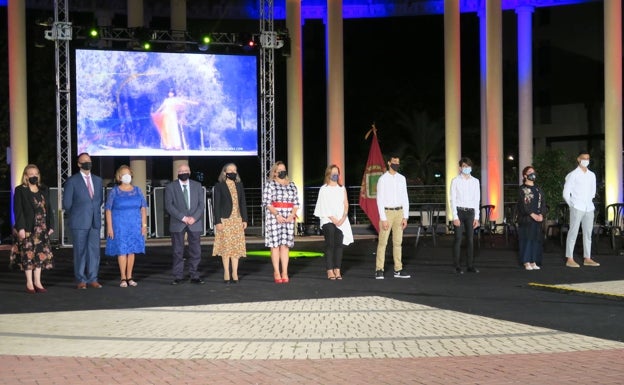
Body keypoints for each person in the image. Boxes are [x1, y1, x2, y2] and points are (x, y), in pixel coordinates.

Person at [10, 164, 54, 294]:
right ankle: (29, 283)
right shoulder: (20, 190)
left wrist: (51, 225)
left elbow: (49, 208)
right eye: (31, 174)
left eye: (36, 174)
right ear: (26, 176)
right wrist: (21, 228)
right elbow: (18, 211)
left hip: (42, 228)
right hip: (28, 228)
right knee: (28, 256)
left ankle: (38, 282)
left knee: (40, 256)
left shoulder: (44, 189)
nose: (34, 176)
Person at [62, 152, 104, 289]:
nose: (87, 163)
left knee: (94, 251)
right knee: (80, 251)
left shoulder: (98, 180)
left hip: (94, 221)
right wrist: (77, 214)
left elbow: (99, 200)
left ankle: (93, 278)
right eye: (84, 161)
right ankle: (81, 279)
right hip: (79, 221)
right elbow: (67, 203)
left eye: (89, 160)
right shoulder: (72, 181)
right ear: (79, 164)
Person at [104, 165, 148, 287]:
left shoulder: (137, 190)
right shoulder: (115, 191)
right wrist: (110, 227)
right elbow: (108, 210)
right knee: (122, 251)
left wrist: (144, 225)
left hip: (134, 225)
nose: (126, 176)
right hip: (120, 225)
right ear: (119, 177)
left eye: (128, 173)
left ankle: (130, 276)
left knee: (132, 251)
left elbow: (143, 208)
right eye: (124, 174)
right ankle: (123, 277)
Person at [165, 163, 206, 284]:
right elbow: (169, 206)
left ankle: (195, 275)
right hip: (178, 223)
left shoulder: (197, 185)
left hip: (195, 222)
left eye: (186, 170)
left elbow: (201, 204)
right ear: (178, 173)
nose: (184, 172)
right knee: (178, 251)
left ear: (190, 172)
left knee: (196, 250)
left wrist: (194, 217)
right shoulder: (171, 187)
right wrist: (183, 217)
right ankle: (178, 276)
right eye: (181, 171)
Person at [314, 164, 354, 280]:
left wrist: (343, 217)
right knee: (330, 243)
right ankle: (329, 270)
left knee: (339, 244)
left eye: (337, 173)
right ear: (328, 174)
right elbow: (324, 206)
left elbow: (346, 204)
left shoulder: (342, 188)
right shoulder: (324, 189)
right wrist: (334, 219)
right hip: (327, 219)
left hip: (341, 220)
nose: (335, 175)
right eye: (333, 173)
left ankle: (337, 269)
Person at [374, 155, 411, 279]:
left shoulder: (402, 179)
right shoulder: (382, 179)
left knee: (398, 242)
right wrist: (383, 218)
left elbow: (405, 197)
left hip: (399, 212)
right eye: (394, 162)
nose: (396, 164)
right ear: (389, 163)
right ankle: (379, 269)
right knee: (383, 242)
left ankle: (398, 269)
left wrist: (405, 217)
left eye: (398, 162)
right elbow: (379, 199)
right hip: (387, 213)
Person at [263, 161, 300, 283]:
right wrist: (277, 215)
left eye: (284, 169)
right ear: (274, 172)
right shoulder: (270, 185)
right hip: (274, 217)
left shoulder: (292, 185)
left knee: (285, 245)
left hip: (288, 218)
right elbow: (267, 203)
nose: (282, 172)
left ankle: (285, 271)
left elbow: (296, 203)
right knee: (275, 245)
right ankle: (277, 272)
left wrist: (292, 215)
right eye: (280, 170)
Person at [212, 163, 248, 284]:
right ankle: (227, 272)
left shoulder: (239, 185)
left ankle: (235, 272)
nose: (233, 172)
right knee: (226, 248)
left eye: (235, 170)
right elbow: (216, 206)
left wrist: (245, 219)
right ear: (224, 172)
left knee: (236, 248)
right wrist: (217, 221)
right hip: (225, 220)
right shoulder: (219, 186)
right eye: (230, 170)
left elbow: (243, 203)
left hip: (237, 220)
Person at [563, 151, 600, 268]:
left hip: (589, 207)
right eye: (584, 158)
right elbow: (565, 192)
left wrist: (589, 201)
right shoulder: (573, 174)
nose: (586, 160)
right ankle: (569, 258)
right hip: (577, 206)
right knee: (573, 232)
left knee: (588, 233)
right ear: (578, 159)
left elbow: (593, 191)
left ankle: (587, 258)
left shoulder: (592, 175)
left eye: (588, 158)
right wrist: (572, 204)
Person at [449, 157, 480, 274]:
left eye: (468, 166)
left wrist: (477, 217)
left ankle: (470, 265)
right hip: (459, 211)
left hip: (470, 212)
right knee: (458, 238)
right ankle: (457, 265)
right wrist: (455, 216)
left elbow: (477, 199)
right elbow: (452, 199)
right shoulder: (455, 181)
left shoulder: (475, 181)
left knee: (470, 240)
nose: (466, 168)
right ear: (460, 168)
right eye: (464, 166)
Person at [517, 166, 547, 270]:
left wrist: (542, 214)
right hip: (527, 219)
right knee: (527, 239)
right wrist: (532, 214)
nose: (532, 174)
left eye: (533, 172)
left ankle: (534, 261)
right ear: (525, 175)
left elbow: (543, 203)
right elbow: (523, 205)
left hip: (538, 219)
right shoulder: (522, 189)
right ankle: (526, 261)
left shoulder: (538, 189)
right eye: (530, 172)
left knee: (536, 239)